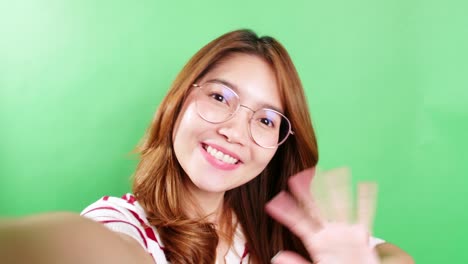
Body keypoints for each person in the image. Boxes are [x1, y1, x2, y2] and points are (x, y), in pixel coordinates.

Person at [0, 29, 413, 264]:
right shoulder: (125, 224)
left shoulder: (286, 229)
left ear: (278, 146)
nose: (235, 130)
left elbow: (394, 257)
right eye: (220, 97)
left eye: (266, 120)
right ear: (180, 100)